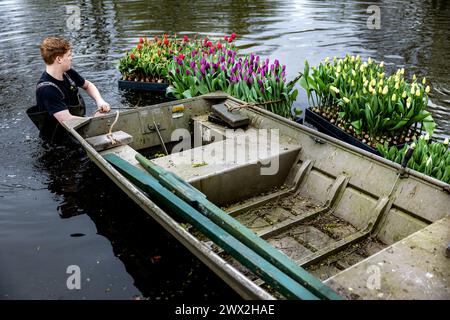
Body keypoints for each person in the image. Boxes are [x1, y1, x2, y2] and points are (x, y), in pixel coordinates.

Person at [35, 36, 111, 124]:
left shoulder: (68, 73)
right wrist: (95, 119)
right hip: (60, 134)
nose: (71, 58)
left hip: (79, 125)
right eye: (69, 55)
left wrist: (100, 101)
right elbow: (67, 120)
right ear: (59, 59)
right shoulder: (47, 90)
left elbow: (88, 85)